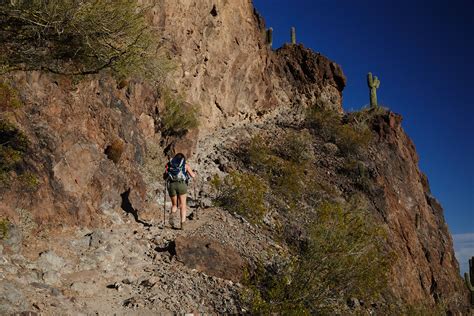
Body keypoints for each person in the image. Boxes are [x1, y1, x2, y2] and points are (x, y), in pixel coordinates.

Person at [164, 153, 196, 229]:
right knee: (183, 205)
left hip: (172, 185)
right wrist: (194, 174)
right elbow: (193, 175)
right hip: (182, 185)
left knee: (175, 205)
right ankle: (183, 224)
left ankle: (172, 213)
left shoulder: (169, 165)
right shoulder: (185, 165)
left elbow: (164, 177)